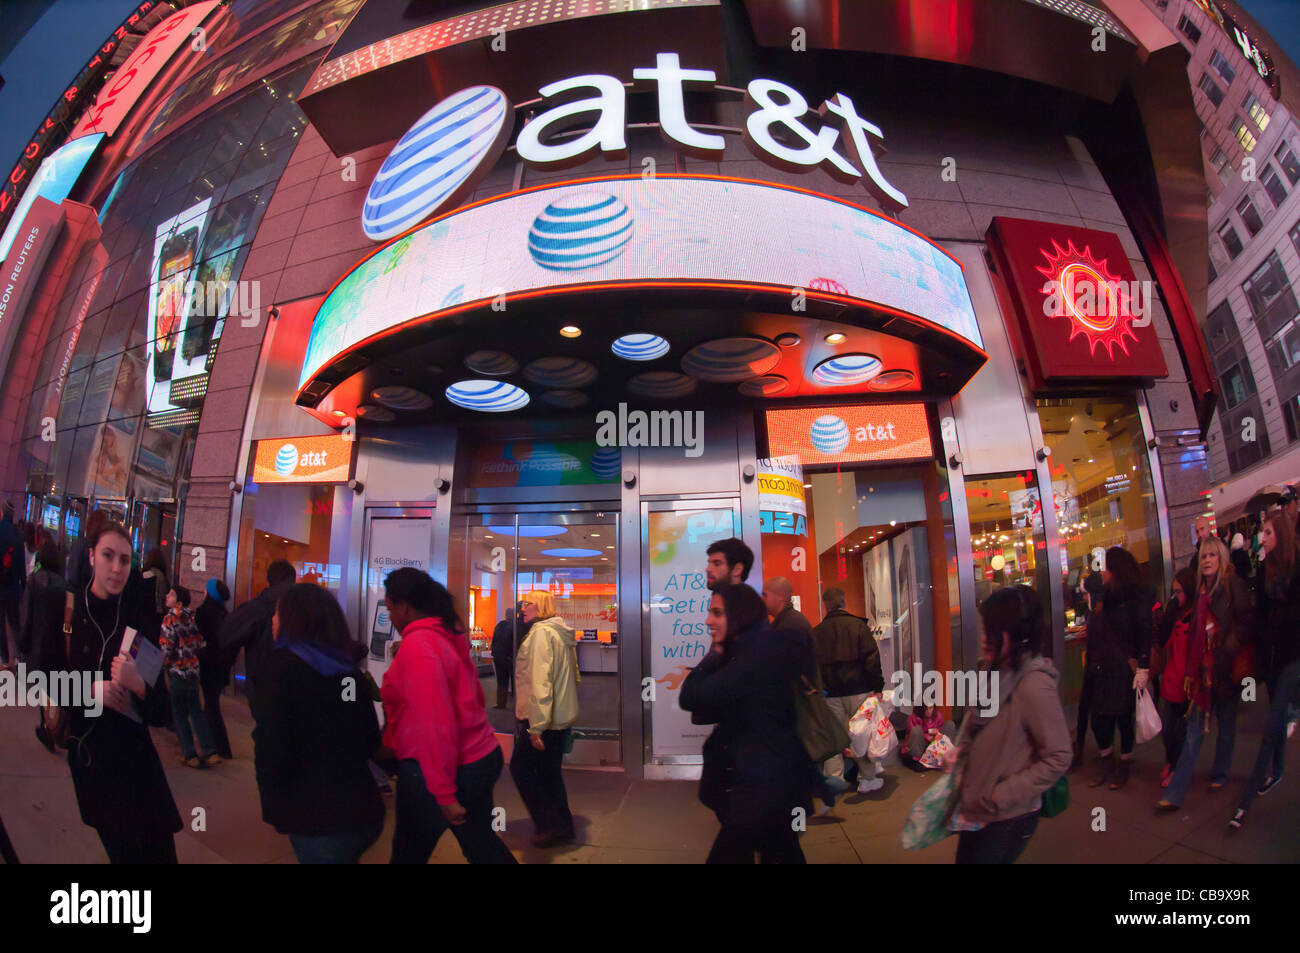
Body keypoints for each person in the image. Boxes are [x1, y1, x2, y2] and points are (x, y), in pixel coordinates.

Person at [53, 521, 181, 863]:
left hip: (138, 768)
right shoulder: (68, 614)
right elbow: (41, 681)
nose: (116, 568)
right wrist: (91, 691)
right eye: (108, 556)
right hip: (94, 766)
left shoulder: (137, 622)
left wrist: (137, 682)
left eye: (124, 560)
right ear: (92, 556)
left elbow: (162, 711)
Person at [381, 569, 516, 864]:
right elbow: (475, 700)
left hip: (441, 768)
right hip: (477, 756)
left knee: (409, 852)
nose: (389, 616)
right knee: (481, 844)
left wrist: (443, 793)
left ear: (404, 606)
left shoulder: (420, 647)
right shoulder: (447, 636)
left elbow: (433, 725)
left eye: (390, 608)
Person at [251, 583, 384, 864]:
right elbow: (370, 738)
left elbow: (272, 747)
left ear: (293, 620)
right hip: (363, 810)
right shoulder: (347, 669)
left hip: (317, 819)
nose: (272, 621)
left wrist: (276, 808)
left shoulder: (281, 667)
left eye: (277, 614)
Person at [680, 583, 812, 863]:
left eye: (717, 613)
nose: (708, 620)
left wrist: (713, 654)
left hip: (760, 792)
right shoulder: (752, 651)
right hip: (768, 788)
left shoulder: (752, 658)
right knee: (782, 852)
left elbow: (691, 696)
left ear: (738, 616)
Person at [948, 585, 1071, 864]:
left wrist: (1002, 794)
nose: (982, 639)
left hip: (1008, 816)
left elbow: (1059, 755)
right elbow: (979, 727)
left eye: (989, 631)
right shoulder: (994, 671)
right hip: (977, 809)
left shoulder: (1034, 683)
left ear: (1013, 633)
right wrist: (961, 750)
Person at [1157, 537, 1251, 812]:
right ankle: (1175, 792)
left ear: (1221, 558)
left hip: (1226, 668)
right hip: (1203, 674)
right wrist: (1192, 672)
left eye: (1212, 555)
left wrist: (1227, 648)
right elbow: (1196, 636)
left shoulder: (1232, 584)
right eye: (1204, 556)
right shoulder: (1200, 592)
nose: (1207, 560)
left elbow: (1246, 621)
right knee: (1194, 732)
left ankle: (1220, 773)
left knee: (1226, 724)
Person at [1231, 513, 1300, 828]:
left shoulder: (1295, 567)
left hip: (1292, 656)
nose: (1263, 537)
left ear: (1280, 535)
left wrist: (1276, 618)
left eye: (1268, 532)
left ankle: (1245, 801)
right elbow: (1259, 612)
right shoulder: (1264, 570)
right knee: (1276, 714)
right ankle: (1279, 771)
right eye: (1262, 532)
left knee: (1272, 725)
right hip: (1272, 657)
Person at [511, 589, 580, 848]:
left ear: (539, 606)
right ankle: (563, 826)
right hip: (560, 717)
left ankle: (548, 824)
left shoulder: (541, 634)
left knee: (521, 768)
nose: (523, 608)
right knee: (550, 773)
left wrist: (536, 727)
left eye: (527, 603)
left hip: (544, 720)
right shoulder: (559, 632)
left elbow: (541, 682)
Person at [1085, 546, 1152, 790]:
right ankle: (1107, 759)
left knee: (1123, 718)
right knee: (1099, 719)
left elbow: (1144, 632)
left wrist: (1143, 667)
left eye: (1105, 567)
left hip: (1125, 668)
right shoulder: (1107, 596)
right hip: (1103, 667)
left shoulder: (1136, 596)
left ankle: (1124, 762)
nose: (1101, 571)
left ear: (1115, 569)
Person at [812, 587, 885, 793]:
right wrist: (877, 687)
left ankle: (834, 781)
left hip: (830, 694)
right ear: (844, 602)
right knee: (862, 735)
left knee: (834, 739)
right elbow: (872, 659)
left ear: (825, 604)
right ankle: (867, 779)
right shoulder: (858, 627)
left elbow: (813, 667)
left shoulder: (817, 632)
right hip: (859, 690)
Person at [160, 585, 221, 768]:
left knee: (179, 714)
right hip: (193, 671)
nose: (166, 596)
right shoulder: (192, 617)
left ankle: (189, 754)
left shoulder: (170, 618)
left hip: (177, 672)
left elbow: (166, 648)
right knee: (196, 712)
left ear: (178, 601)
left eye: (170, 594)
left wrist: (162, 665)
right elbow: (200, 643)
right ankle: (210, 751)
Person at [220, 559, 296, 705]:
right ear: (292, 579)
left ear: (269, 579)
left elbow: (226, 634)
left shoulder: (256, 608)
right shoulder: (303, 607)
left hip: (261, 684)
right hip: (292, 687)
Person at [21, 538, 66, 753]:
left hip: (38, 642)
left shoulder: (34, 580)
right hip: (57, 643)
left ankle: (48, 727)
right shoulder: (63, 584)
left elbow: (27, 615)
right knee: (55, 686)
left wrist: (23, 642)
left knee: (43, 687)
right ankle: (55, 727)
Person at [1154, 568, 1196, 789]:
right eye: (1173, 592)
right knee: (1168, 729)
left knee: (1179, 731)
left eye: (1178, 592)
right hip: (1171, 681)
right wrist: (1169, 614)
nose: (1175, 597)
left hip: (1186, 683)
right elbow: (1163, 642)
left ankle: (1178, 768)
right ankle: (1172, 762)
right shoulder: (1176, 615)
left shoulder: (1195, 616)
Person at [194, 579, 233, 760]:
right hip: (221, 667)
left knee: (210, 706)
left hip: (208, 665)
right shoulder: (225, 614)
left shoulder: (203, 612)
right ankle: (214, 745)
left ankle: (220, 747)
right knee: (211, 704)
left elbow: (197, 639)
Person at [0, 501, 26, 668]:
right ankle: (18, 657)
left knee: (0, 623)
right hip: (13, 589)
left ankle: (4, 657)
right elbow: (21, 566)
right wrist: (24, 588)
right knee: (15, 623)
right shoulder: (18, 534)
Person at [490, 608, 516, 709]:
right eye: (507, 613)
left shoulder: (501, 625)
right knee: (503, 681)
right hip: (505, 657)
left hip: (503, 656)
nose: (508, 615)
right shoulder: (512, 626)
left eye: (509, 613)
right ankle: (502, 703)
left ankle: (502, 703)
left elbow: (495, 639)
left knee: (503, 681)